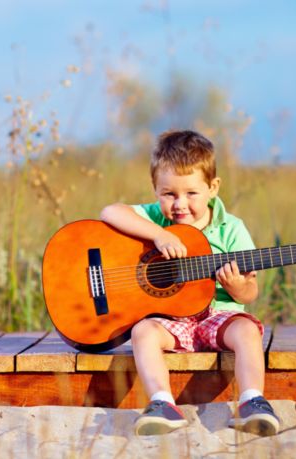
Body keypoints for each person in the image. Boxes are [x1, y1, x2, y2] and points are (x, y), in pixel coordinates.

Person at [100, 130, 280, 436]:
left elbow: (251, 290)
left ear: (213, 188)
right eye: (169, 194)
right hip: (171, 321)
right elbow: (110, 212)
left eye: (191, 193)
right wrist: (158, 234)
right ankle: (162, 402)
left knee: (248, 329)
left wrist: (238, 287)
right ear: (155, 189)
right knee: (143, 330)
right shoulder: (157, 219)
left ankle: (252, 400)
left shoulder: (231, 229)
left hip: (218, 316)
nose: (179, 204)